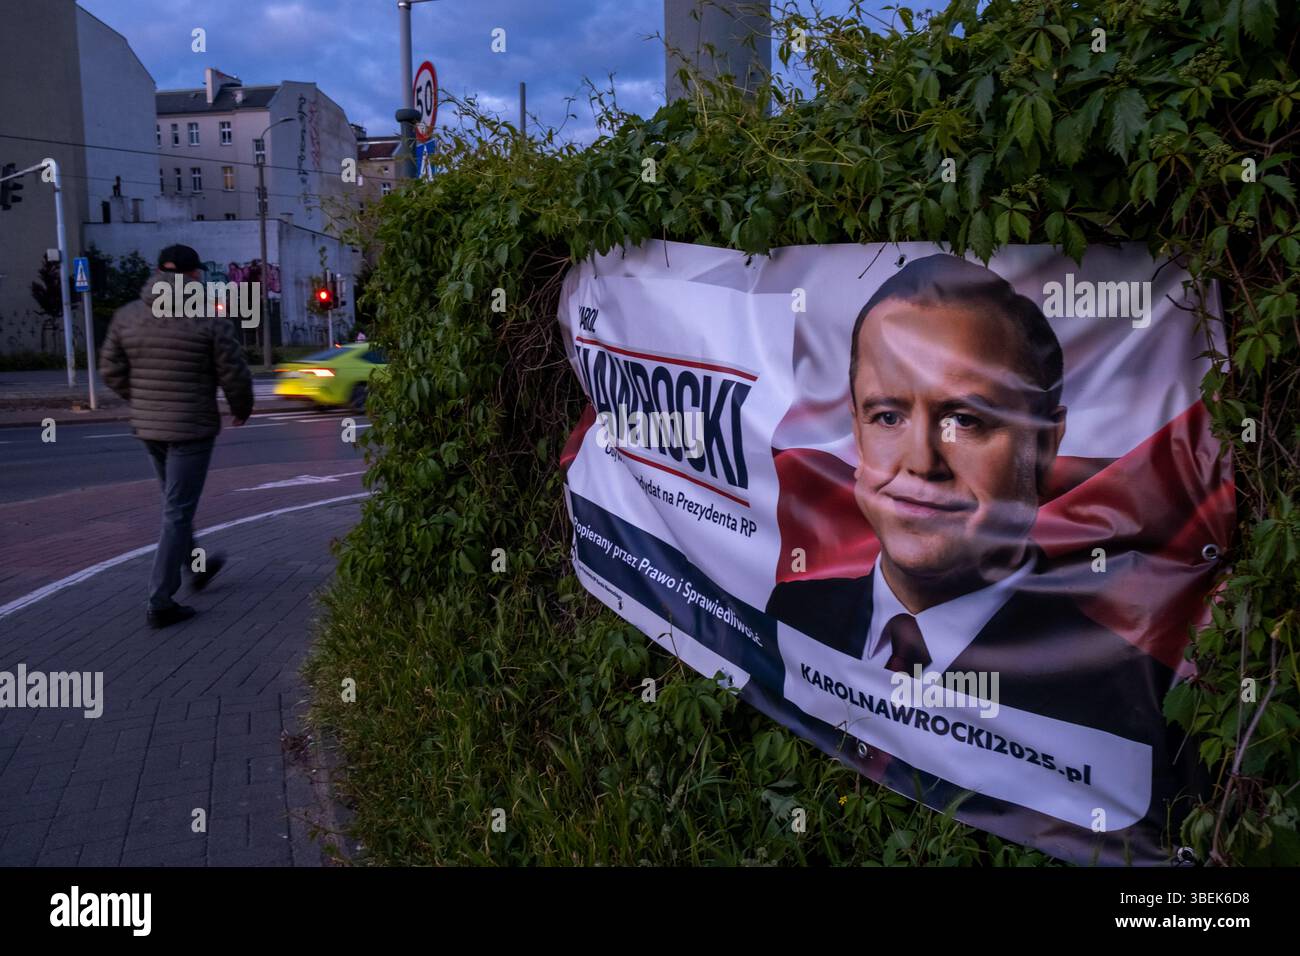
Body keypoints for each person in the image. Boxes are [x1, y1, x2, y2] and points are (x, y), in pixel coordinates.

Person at [765, 254, 1200, 856]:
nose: (921, 462)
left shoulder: (1131, 690)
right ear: (857, 430)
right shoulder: (792, 608)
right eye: (887, 415)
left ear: (1046, 444)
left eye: (965, 420)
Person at [99, 244, 254, 628]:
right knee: (178, 510)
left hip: (148, 426)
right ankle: (160, 600)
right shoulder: (209, 319)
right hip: (190, 428)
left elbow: (110, 369)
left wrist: (141, 399)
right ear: (194, 275)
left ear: (157, 271)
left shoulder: (128, 315)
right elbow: (233, 372)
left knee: (175, 504)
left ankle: (196, 568)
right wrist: (241, 408)